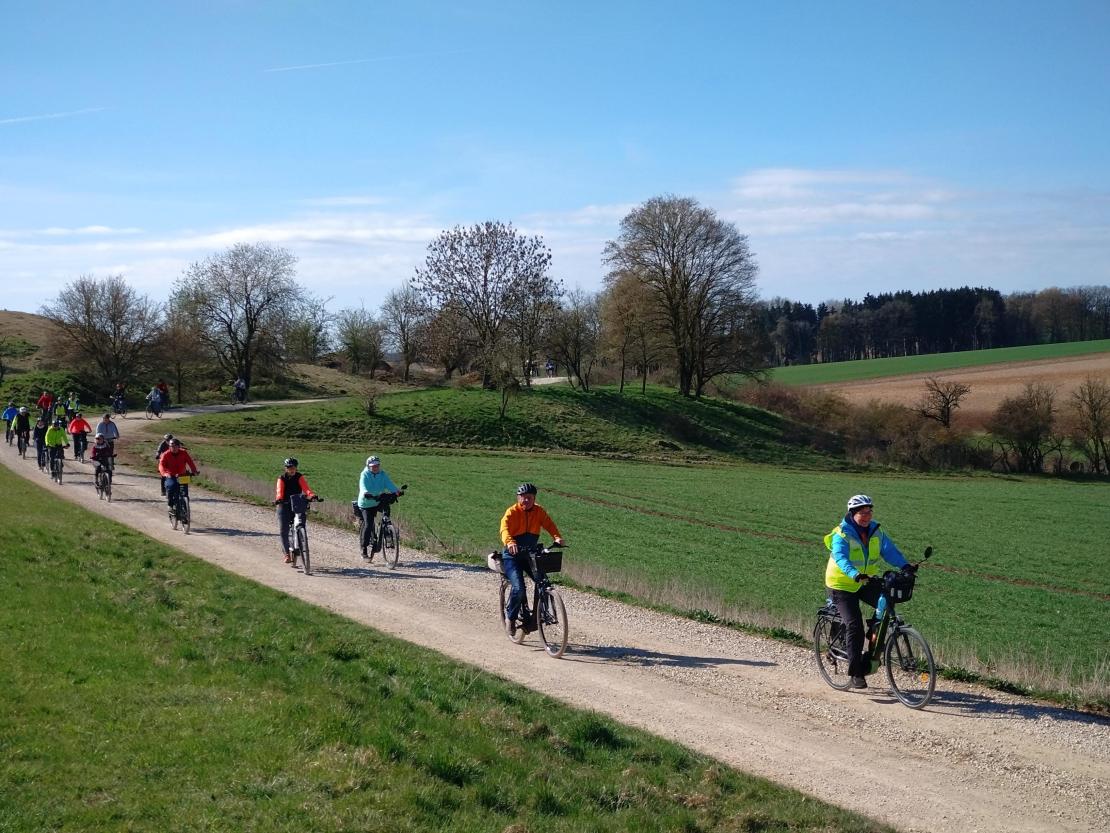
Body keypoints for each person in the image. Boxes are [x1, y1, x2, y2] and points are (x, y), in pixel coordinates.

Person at [823, 494, 910, 690]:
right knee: (855, 625)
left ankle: (874, 635)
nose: (867, 516)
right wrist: (854, 574)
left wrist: (905, 566)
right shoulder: (841, 534)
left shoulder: (876, 531)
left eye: (869, 512)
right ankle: (856, 673)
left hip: (865, 581)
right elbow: (841, 557)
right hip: (841, 584)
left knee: (886, 600)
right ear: (852, 514)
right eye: (862, 513)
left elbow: (889, 551)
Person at [499, 482, 564, 636]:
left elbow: (549, 524)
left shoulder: (539, 511)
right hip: (512, 556)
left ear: (534, 498)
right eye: (523, 497)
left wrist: (557, 537)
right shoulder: (511, 512)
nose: (526, 500)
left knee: (543, 582)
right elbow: (504, 529)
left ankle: (538, 616)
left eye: (530, 497)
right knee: (519, 588)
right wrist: (510, 542)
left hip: (530, 554)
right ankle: (511, 618)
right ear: (518, 498)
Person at [274, 457, 318, 563]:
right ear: (286, 468)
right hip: (284, 504)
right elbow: (279, 491)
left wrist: (311, 495)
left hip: (297, 504)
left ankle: (300, 541)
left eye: (293, 467)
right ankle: (287, 554)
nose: (292, 470)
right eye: (289, 468)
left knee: (301, 523)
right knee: (283, 530)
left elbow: (306, 489)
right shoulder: (282, 478)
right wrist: (279, 499)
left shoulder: (299, 477)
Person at [356, 455, 400, 559]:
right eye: (373, 466)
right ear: (368, 466)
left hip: (377, 501)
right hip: (366, 503)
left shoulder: (382, 474)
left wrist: (396, 491)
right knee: (369, 524)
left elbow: (389, 484)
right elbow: (363, 486)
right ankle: (364, 548)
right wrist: (366, 493)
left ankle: (387, 532)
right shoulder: (364, 474)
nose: (375, 467)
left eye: (377, 465)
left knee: (386, 512)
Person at [158, 438, 198, 513]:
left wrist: (194, 471)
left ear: (178, 446)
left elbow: (190, 462)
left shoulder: (183, 452)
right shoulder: (165, 454)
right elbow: (161, 465)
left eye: (175, 446)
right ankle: (170, 505)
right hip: (170, 475)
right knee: (171, 487)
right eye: (171, 446)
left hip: (182, 475)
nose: (173, 448)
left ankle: (185, 512)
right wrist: (165, 473)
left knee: (185, 493)